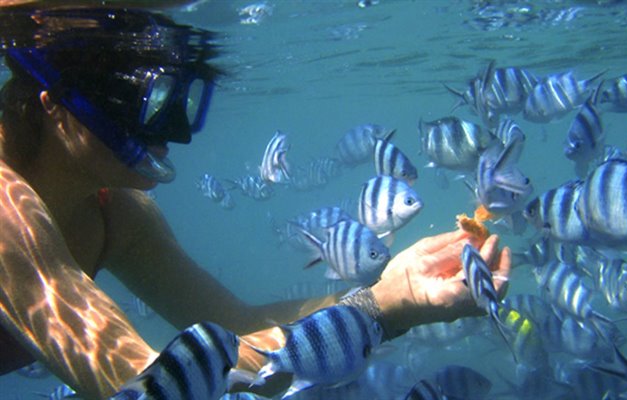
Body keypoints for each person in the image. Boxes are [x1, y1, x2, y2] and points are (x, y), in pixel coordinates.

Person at [0, 3, 511, 399]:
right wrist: (379, 308)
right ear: (56, 109)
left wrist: (396, 297)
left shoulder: (115, 209)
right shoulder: (6, 210)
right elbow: (148, 385)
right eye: (149, 105)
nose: (171, 132)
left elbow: (237, 328)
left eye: (184, 102)